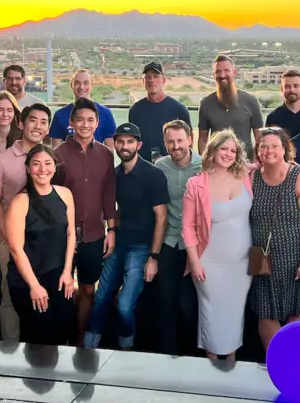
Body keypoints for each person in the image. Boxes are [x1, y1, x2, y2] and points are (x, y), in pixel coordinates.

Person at [86, 123, 169, 349]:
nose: (124, 146)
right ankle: (89, 345)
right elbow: (115, 209)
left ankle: (126, 345)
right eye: (120, 142)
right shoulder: (115, 175)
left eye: (130, 141)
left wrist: (153, 256)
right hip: (119, 245)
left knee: (124, 306)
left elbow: (161, 217)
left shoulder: (153, 175)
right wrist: (111, 232)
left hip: (141, 248)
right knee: (101, 297)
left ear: (138, 145)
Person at [182, 129, 254, 361]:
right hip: (209, 263)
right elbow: (188, 227)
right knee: (212, 315)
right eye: (224, 148)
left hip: (242, 265)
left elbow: (271, 163)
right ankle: (211, 369)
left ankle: (231, 364)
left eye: (233, 150)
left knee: (234, 314)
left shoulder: (244, 175)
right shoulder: (196, 184)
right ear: (212, 150)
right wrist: (194, 262)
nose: (228, 154)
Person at [0, 103, 52, 342]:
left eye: (44, 122)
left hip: (46, 243)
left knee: (43, 292)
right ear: (21, 124)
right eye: (33, 120)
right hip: (11, 240)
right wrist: (8, 237)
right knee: (9, 296)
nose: (38, 126)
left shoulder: (52, 158)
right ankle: (11, 350)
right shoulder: (1, 161)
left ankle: (40, 347)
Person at [52, 97, 117, 344]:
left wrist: (111, 229)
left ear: (97, 123)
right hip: (62, 236)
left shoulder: (106, 155)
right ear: (71, 122)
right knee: (62, 288)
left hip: (93, 234)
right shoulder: (57, 154)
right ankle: (61, 339)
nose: (85, 124)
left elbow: (109, 194)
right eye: (80, 119)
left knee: (88, 289)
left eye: (91, 120)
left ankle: (79, 338)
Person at [250, 127, 300, 351]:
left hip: (295, 258)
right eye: (263, 146)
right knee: (264, 314)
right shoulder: (251, 177)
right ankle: (274, 368)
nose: (269, 151)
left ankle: (295, 369)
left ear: (284, 149)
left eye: (274, 146)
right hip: (259, 256)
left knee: (295, 316)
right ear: (257, 151)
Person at [5, 144, 78, 346]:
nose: (42, 169)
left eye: (47, 163)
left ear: (55, 166)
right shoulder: (20, 202)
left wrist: (67, 273)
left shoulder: (65, 194)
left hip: (58, 275)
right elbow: (16, 249)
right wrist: (34, 286)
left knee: (63, 329)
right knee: (40, 337)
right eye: (36, 164)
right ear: (28, 168)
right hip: (28, 279)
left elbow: (71, 233)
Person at [152, 119, 203, 355]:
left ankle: (191, 358)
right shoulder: (159, 167)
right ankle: (166, 358)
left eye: (180, 140)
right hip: (168, 243)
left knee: (188, 306)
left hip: (194, 247)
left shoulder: (205, 167)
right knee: (164, 304)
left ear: (190, 139)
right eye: (170, 142)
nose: (176, 146)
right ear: (164, 143)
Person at [198, 54, 264, 158]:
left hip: (245, 165)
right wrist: (205, 161)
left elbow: (259, 138)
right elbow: (202, 139)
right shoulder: (206, 103)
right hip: (216, 166)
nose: (222, 75)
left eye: (226, 70)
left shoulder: (251, 101)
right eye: (218, 72)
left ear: (235, 73)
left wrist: (256, 163)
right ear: (214, 75)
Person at [128, 61, 190, 162]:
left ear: (163, 80)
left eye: (156, 76)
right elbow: (132, 141)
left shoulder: (179, 110)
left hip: (171, 167)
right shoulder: (135, 110)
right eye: (148, 77)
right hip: (143, 166)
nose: (151, 80)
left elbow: (188, 143)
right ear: (143, 81)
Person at [49, 69, 116, 147]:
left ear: (91, 86)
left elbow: (110, 150)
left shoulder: (105, 113)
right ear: (72, 85)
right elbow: (55, 150)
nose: (81, 87)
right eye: (77, 83)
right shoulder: (60, 115)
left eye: (86, 83)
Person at [265, 69, 300, 138]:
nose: (292, 90)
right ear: (282, 89)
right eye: (287, 86)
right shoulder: (273, 118)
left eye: (296, 86)